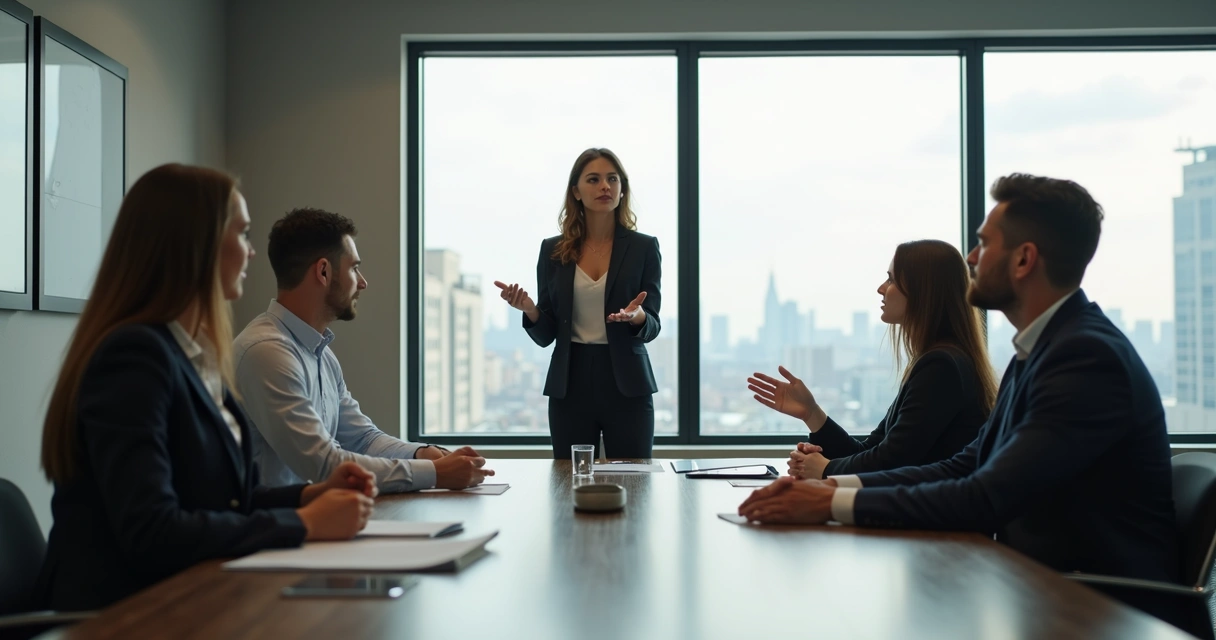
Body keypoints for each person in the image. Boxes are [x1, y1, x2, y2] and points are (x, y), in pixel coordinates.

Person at [738, 174, 1180, 623]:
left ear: (1024, 260)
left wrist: (829, 500)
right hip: (1045, 593)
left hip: (1104, 614)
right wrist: (834, 486)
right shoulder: (1041, 350)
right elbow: (966, 464)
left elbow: (986, 495)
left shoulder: (1085, 358)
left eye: (984, 244)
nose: (971, 257)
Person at [36, 164, 376, 612]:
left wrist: (309, 494)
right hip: (124, 616)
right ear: (195, 247)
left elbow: (226, 501)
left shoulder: (193, 354)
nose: (252, 254)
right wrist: (303, 523)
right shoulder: (133, 358)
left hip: (192, 597)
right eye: (242, 234)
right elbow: (153, 531)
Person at [234, 208, 493, 493]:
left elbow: (362, 439)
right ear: (323, 271)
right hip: (276, 532)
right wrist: (434, 473)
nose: (363, 282)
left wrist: (423, 454)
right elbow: (323, 465)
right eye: (354, 268)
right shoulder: (267, 353)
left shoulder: (320, 353)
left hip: (311, 522)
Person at [748, 239, 997, 480]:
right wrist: (811, 413)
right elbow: (868, 453)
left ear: (923, 291)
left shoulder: (941, 366)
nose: (881, 288)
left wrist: (824, 469)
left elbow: (892, 461)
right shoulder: (940, 360)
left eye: (891, 279)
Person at [494, 148, 662, 459]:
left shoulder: (644, 248)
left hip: (628, 382)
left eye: (613, 179)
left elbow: (652, 325)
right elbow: (546, 336)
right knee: (569, 480)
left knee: (635, 481)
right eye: (594, 179)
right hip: (570, 382)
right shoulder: (552, 251)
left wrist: (637, 316)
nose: (605, 187)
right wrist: (530, 310)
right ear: (576, 191)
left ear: (622, 189)